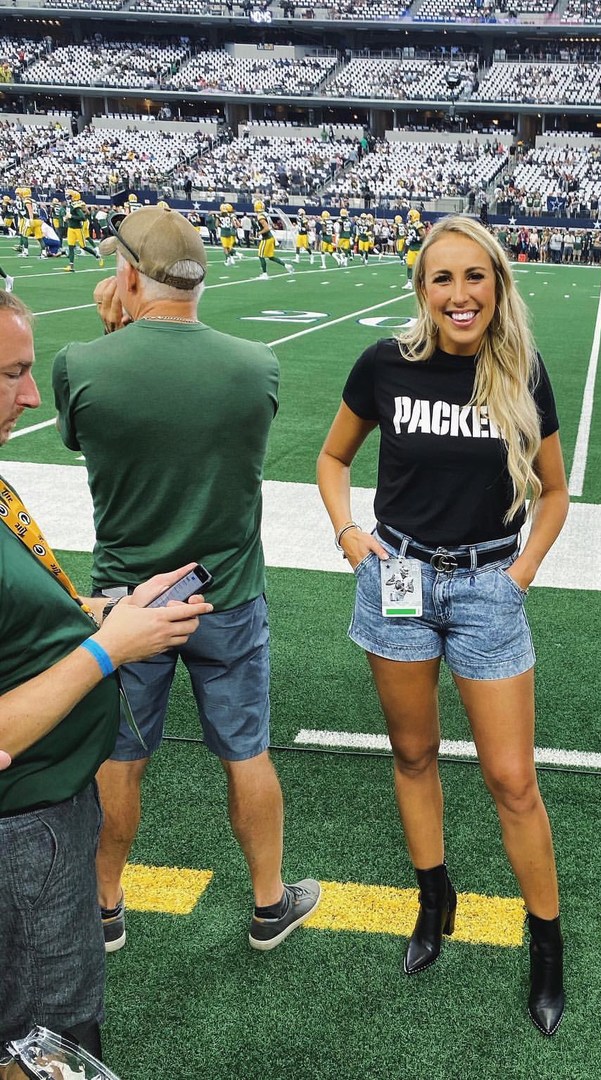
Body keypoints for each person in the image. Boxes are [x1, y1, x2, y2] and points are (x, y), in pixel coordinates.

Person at [317, 215, 569, 1035]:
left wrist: (521, 573)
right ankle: (434, 898)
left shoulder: (523, 371)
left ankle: (546, 945)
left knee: (512, 780)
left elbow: (555, 492)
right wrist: (347, 532)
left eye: (474, 277)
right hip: (397, 576)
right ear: (421, 289)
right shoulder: (384, 363)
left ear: (497, 284)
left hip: (487, 584)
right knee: (413, 752)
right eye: (442, 279)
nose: (459, 295)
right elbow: (332, 458)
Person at [50, 206, 320, 957]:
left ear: (130, 276)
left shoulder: (80, 363)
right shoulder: (257, 366)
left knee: (118, 759)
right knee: (246, 752)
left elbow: (81, 433)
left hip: (124, 603)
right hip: (225, 595)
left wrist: (112, 334)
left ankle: (105, 909)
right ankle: (269, 903)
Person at [0, 290, 212, 1064]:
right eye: (11, 374)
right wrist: (109, 649)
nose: (32, 394)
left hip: (48, 811)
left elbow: (26, 616)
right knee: (47, 1040)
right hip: (22, 826)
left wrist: (109, 608)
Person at [253, 199, 294, 279]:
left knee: (261, 255)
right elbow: (270, 226)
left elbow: (267, 228)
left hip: (267, 238)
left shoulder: (261, 217)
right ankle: (287, 266)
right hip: (269, 237)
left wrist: (259, 233)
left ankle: (264, 274)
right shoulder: (264, 214)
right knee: (270, 257)